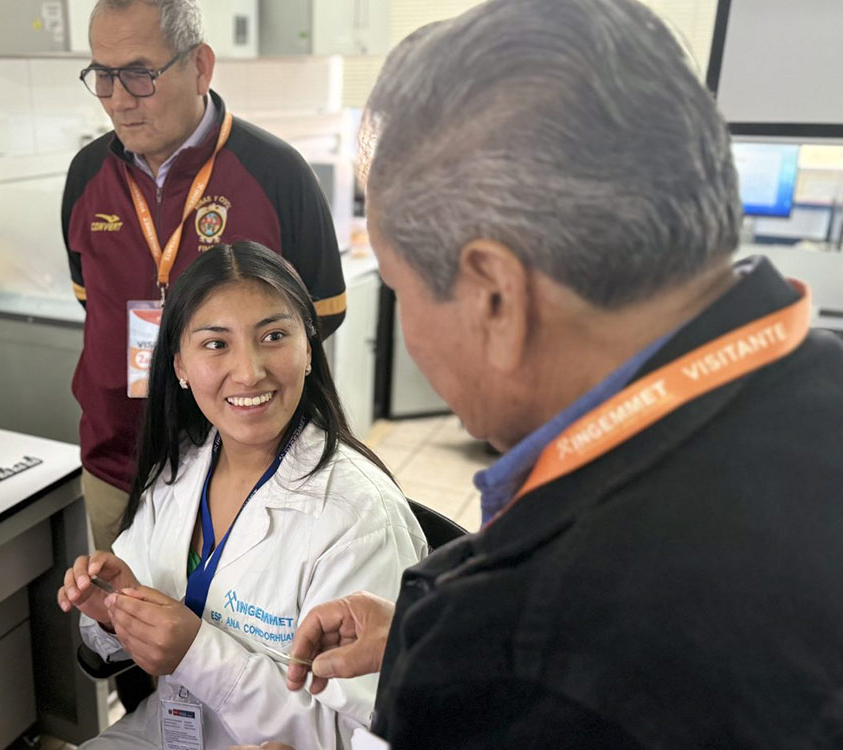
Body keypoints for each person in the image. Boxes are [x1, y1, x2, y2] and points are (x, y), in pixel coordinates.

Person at [262, 0, 843, 748]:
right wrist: (414, 630)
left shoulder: (509, 652)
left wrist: (453, 645)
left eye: (402, 290)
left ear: (495, 298)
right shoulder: (813, 376)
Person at [56, 242, 427, 749]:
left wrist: (195, 653)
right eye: (215, 344)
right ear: (180, 366)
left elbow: (361, 736)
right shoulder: (182, 469)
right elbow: (113, 641)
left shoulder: (359, 517)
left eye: (273, 335)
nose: (250, 371)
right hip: (164, 732)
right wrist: (114, 612)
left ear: (308, 347)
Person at [61, 0, 347, 556]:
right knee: (120, 627)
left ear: (200, 66)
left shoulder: (275, 173)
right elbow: (89, 301)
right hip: (115, 461)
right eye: (103, 75)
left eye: (140, 74)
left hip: (242, 472)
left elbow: (321, 317)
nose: (118, 99)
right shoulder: (87, 174)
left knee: (231, 634)